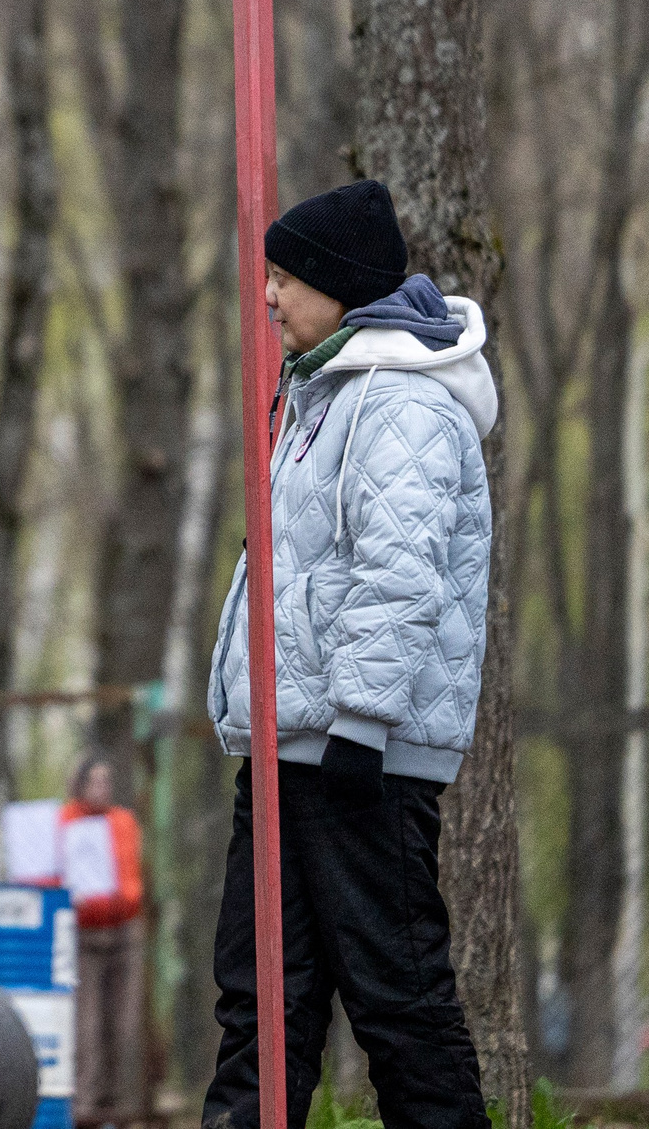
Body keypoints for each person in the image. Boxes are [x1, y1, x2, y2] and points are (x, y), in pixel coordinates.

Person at [203, 179, 493, 1129]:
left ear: (338, 283)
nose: (271, 296)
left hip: (356, 761)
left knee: (398, 1003)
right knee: (260, 1004)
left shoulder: (401, 404)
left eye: (285, 276)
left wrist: (362, 729)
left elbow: (399, 577)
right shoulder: (319, 395)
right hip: (290, 752)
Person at [61, 754, 147, 1126]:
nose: (103, 787)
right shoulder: (65, 822)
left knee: (125, 1021)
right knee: (87, 1021)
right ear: (79, 785)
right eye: (95, 780)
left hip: (125, 931)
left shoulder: (123, 821)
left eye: (107, 780)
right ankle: (86, 1105)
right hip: (83, 934)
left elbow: (132, 872)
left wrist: (127, 901)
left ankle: (124, 1104)